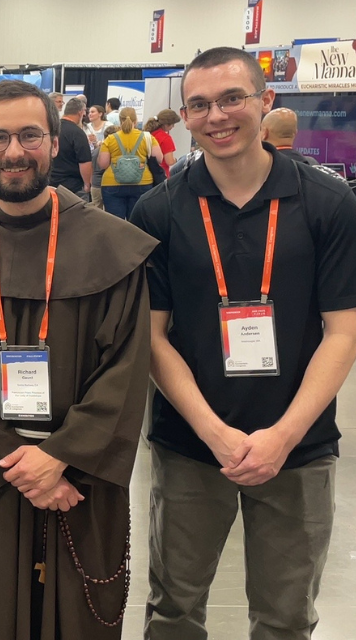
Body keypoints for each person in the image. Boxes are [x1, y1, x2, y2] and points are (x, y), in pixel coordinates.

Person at [130, 46, 356, 640]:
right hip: (190, 445)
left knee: (285, 619)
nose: (217, 116)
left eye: (232, 98)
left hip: (299, 447)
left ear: (266, 101)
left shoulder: (328, 203)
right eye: (199, 105)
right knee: (174, 612)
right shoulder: (159, 212)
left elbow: (343, 333)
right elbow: (153, 338)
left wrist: (283, 436)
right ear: (184, 116)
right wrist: (213, 432)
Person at [0, 80, 156, 640]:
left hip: (82, 478)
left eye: (30, 136)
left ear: (56, 143)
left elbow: (124, 372)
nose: (14, 152)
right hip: (1, 478)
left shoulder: (113, 248)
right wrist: (25, 465)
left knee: (81, 615)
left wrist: (62, 461)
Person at [97, 106, 162, 219]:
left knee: (115, 224)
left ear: (120, 120)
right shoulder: (147, 137)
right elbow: (159, 159)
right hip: (142, 182)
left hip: (113, 183)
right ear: (136, 121)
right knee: (137, 224)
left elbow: (103, 164)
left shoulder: (110, 139)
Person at [49, 98, 93, 197]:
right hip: (72, 188)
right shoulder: (77, 133)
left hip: (49, 184)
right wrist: (87, 184)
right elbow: (85, 161)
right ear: (80, 113)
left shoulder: (51, 129)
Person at [90, 124, 118, 209]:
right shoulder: (111, 151)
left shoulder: (95, 151)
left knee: (96, 211)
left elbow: (91, 168)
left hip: (95, 185)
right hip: (108, 184)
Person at [150, 109, 179, 176]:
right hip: (161, 174)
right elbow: (169, 161)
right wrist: (176, 160)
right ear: (166, 124)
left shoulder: (149, 133)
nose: (173, 126)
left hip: (147, 175)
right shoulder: (166, 138)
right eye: (173, 124)